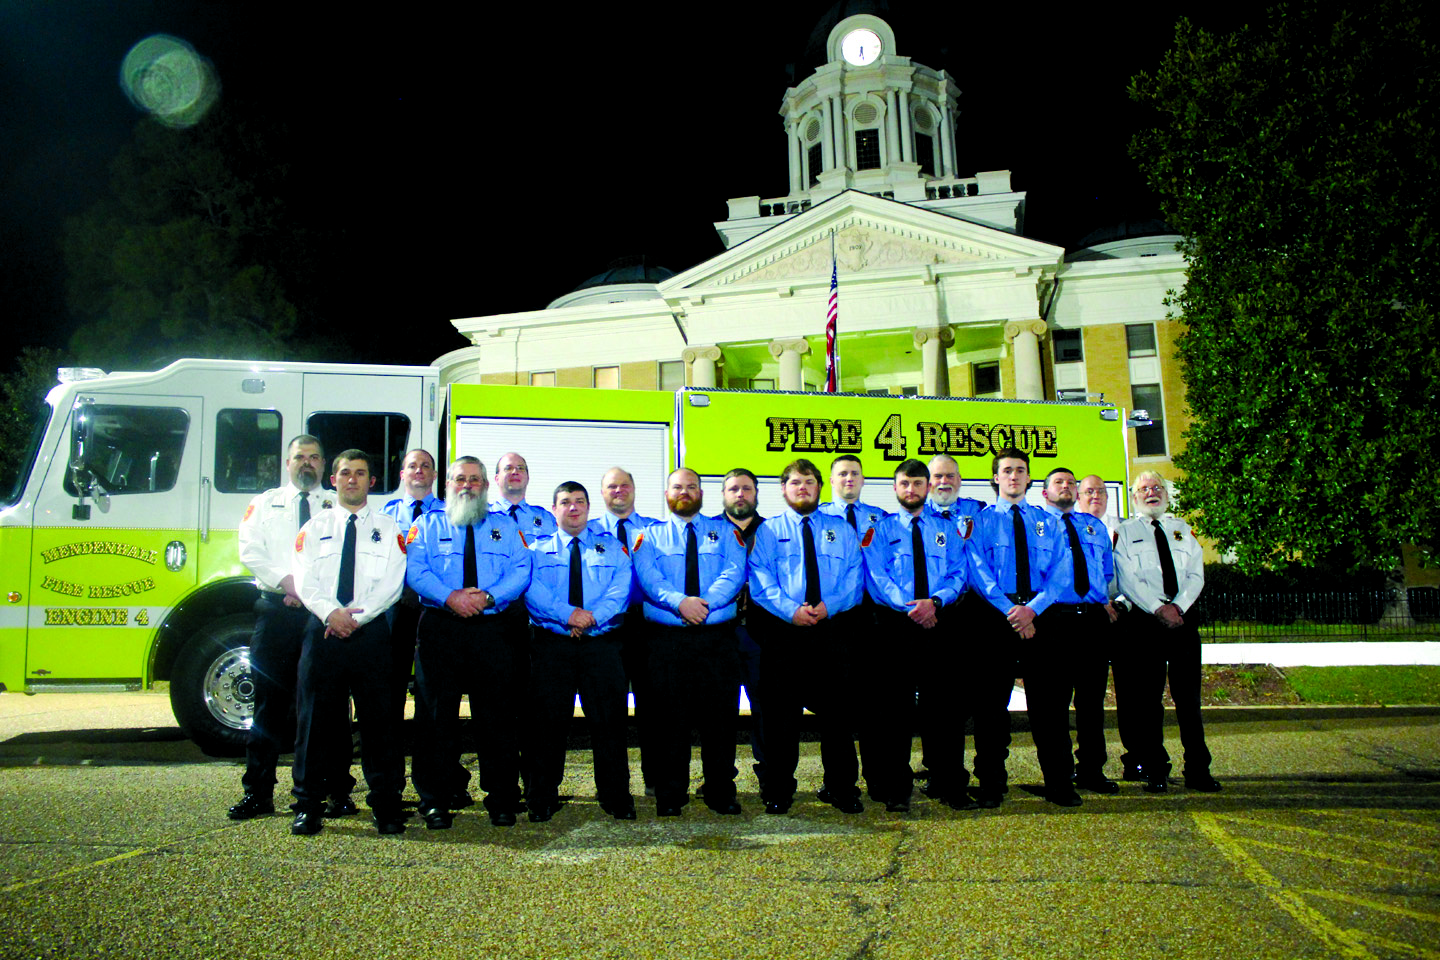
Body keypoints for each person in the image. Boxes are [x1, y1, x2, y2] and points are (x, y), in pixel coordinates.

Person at [230, 435, 353, 820]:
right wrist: (288, 584)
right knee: (268, 705)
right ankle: (258, 792)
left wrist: (313, 594)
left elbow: (345, 560)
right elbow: (251, 550)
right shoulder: (264, 504)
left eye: (315, 457)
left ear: (324, 465)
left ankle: (336, 791)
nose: (307, 463)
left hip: (321, 614)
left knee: (329, 707)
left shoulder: (337, 506)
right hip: (276, 612)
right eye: (300, 457)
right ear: (288, 463)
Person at [406, 457, 533, 829]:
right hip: (441, 627)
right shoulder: (426, 525)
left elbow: (521, 569)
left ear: (486, 486)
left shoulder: (505, 527)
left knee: (496, 717)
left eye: (475, 479)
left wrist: (490, 597)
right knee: (434, 717)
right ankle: (435, 799)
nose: (467, 485)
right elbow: (416, 570)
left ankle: (502, 797)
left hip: (491, 628)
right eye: (460, 479)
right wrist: (450, 597)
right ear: (447, 485)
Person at [289, 449, 408, 835]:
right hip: (324, 631)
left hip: (369, 633)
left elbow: (393, 583)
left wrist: (357, 617)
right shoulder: (314, 527)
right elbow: (304, 578)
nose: (352, 479)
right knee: (314, 721)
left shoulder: (389, 530)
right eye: (345, 473)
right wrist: (331, 614)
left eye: (359, 473)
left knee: (379, 723)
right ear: (333, 480)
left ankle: (386, 804)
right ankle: (308, 804)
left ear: (371, 482)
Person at [748, 458, 866, 815]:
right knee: (782, 718)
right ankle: (780, 790)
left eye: (809, 481)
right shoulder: (768, 531)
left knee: (838, 717)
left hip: (831, 632)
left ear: (820, 487)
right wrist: (791, 611)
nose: (803, 488)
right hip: (785, 634)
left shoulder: (841, 530)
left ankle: (842, 788)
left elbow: (855, 576)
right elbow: (760, 579)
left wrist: (830, 606)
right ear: (784, 489)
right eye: (795, 482)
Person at [632, 468, 747, 816]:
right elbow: (649, 578)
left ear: (701, 493)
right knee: (669, 721)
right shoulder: (648, 536)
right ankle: (671, 794)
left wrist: (703, 604)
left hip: (717, 639)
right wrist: (681, 603)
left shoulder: (726, 532)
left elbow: (734, 572)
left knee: (721, 720)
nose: (684, 492)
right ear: (667, 493)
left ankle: (720, 791)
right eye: (677, 487)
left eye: (691, 486)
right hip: (667, 641)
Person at [965, 446, 1070, 808]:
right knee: (991, 708)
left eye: (1020, 470)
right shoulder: (979, 523)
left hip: (1042, 619)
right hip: (996, 619)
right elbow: (978, 572)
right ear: (995, 478)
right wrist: (1012, 611)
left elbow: (1060, 572)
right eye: (1007, 470)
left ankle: (1059, 783)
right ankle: (992, 784)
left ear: (1028, 478)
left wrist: (1032, 610)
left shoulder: (1049, 523)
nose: (1013, 476)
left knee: (1050, 707)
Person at [862, 459, 969, 812]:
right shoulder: (880, 530)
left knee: (946, 709)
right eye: (905, 484)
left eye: (918, 483)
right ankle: (897, 789)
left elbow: (958, 572)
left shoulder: (947, 529)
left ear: (928, 487)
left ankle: (949, 784)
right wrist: (912, 607)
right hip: (896, 628)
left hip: (939, 624)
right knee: (896, 711)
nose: (911, 490)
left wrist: (934, 602)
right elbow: (877, 576)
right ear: (895, 488)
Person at [526, 482, 635, 821]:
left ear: (588, 507)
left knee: (609, 723)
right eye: (565, 502)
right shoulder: (536, 550)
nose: (572, 508)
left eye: (579, 502)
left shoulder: (612, 548)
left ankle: (615, 795)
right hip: (552, 646)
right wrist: (569, 615)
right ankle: (542, 796)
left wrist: (591, 618)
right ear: (553, 509)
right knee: (547, 725)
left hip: (600, 645)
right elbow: (533, 591)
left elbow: (621, 588)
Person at [1112, 471, 1220, 793]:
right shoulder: (1125, 532)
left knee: (1189, 701)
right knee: (1148, 702)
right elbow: (1127, 579)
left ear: (1166, 494)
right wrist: (1159, 608)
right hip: (1146, 624)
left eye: (1157, 487)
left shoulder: (1183, 529)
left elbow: (1196, 575)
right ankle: (1155, 768)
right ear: (1134, 498)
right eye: (1144, 489)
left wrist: (1178, 607)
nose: (1152, 493)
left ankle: (1198, 769)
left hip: (1183, 622)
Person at [1030, 467, 1117, 806]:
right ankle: (1059, 780)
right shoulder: (1036, 526)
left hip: (1092, 620)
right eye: (1058, 482)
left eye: (1070, 483)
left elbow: (1105, 572)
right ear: (1045, 493)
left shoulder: (1094, 526)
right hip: (1054, 620)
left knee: (1092, 703)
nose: (1065, 486)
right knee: (1053, 706)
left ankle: (1092, 770)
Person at [587, 467, 660, 795]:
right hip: (605, 628)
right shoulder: (588, 532)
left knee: (653, 707)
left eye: (624, 485)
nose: (618, 491)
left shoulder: (655, 530)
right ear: (602, 493)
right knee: (608, 709)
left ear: (634, 489)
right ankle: (613, 786)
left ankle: (655, 779)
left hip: (648, 626)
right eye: (611, 486)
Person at [380, 449, 442, 743]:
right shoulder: (386, 515)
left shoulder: (447, 514)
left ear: (434, 475)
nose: (419, 470)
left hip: (433, 609)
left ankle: (431, 753)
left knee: (433, 685)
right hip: (396, 608)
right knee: (391, 681)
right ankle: (389, 750)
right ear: (402, 474)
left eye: (425, 466)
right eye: (413, 466)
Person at [714, 468, 767, 788]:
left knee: (765, 707)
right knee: (720, 711)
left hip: (761, 634)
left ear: (756, 493)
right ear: (723, 494)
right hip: (719, 634)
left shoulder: (772, 531)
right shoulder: (708, 531)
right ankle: (721, 780)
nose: (740, 494)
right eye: (733, 488)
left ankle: (769, 776)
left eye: (746, 488)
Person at [492, 452, 558, 537]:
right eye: (508, 468)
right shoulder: (482, 518)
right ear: (497, 478)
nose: (515, 472)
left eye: (520, 468)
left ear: (528, 478)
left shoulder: (546, 518)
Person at [925, 454, 985, 539]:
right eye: (938, 476)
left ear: (959, 479)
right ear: (928, 481)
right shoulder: (918, 514)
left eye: (950, 476)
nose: (944, 481)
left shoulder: (976, 510)